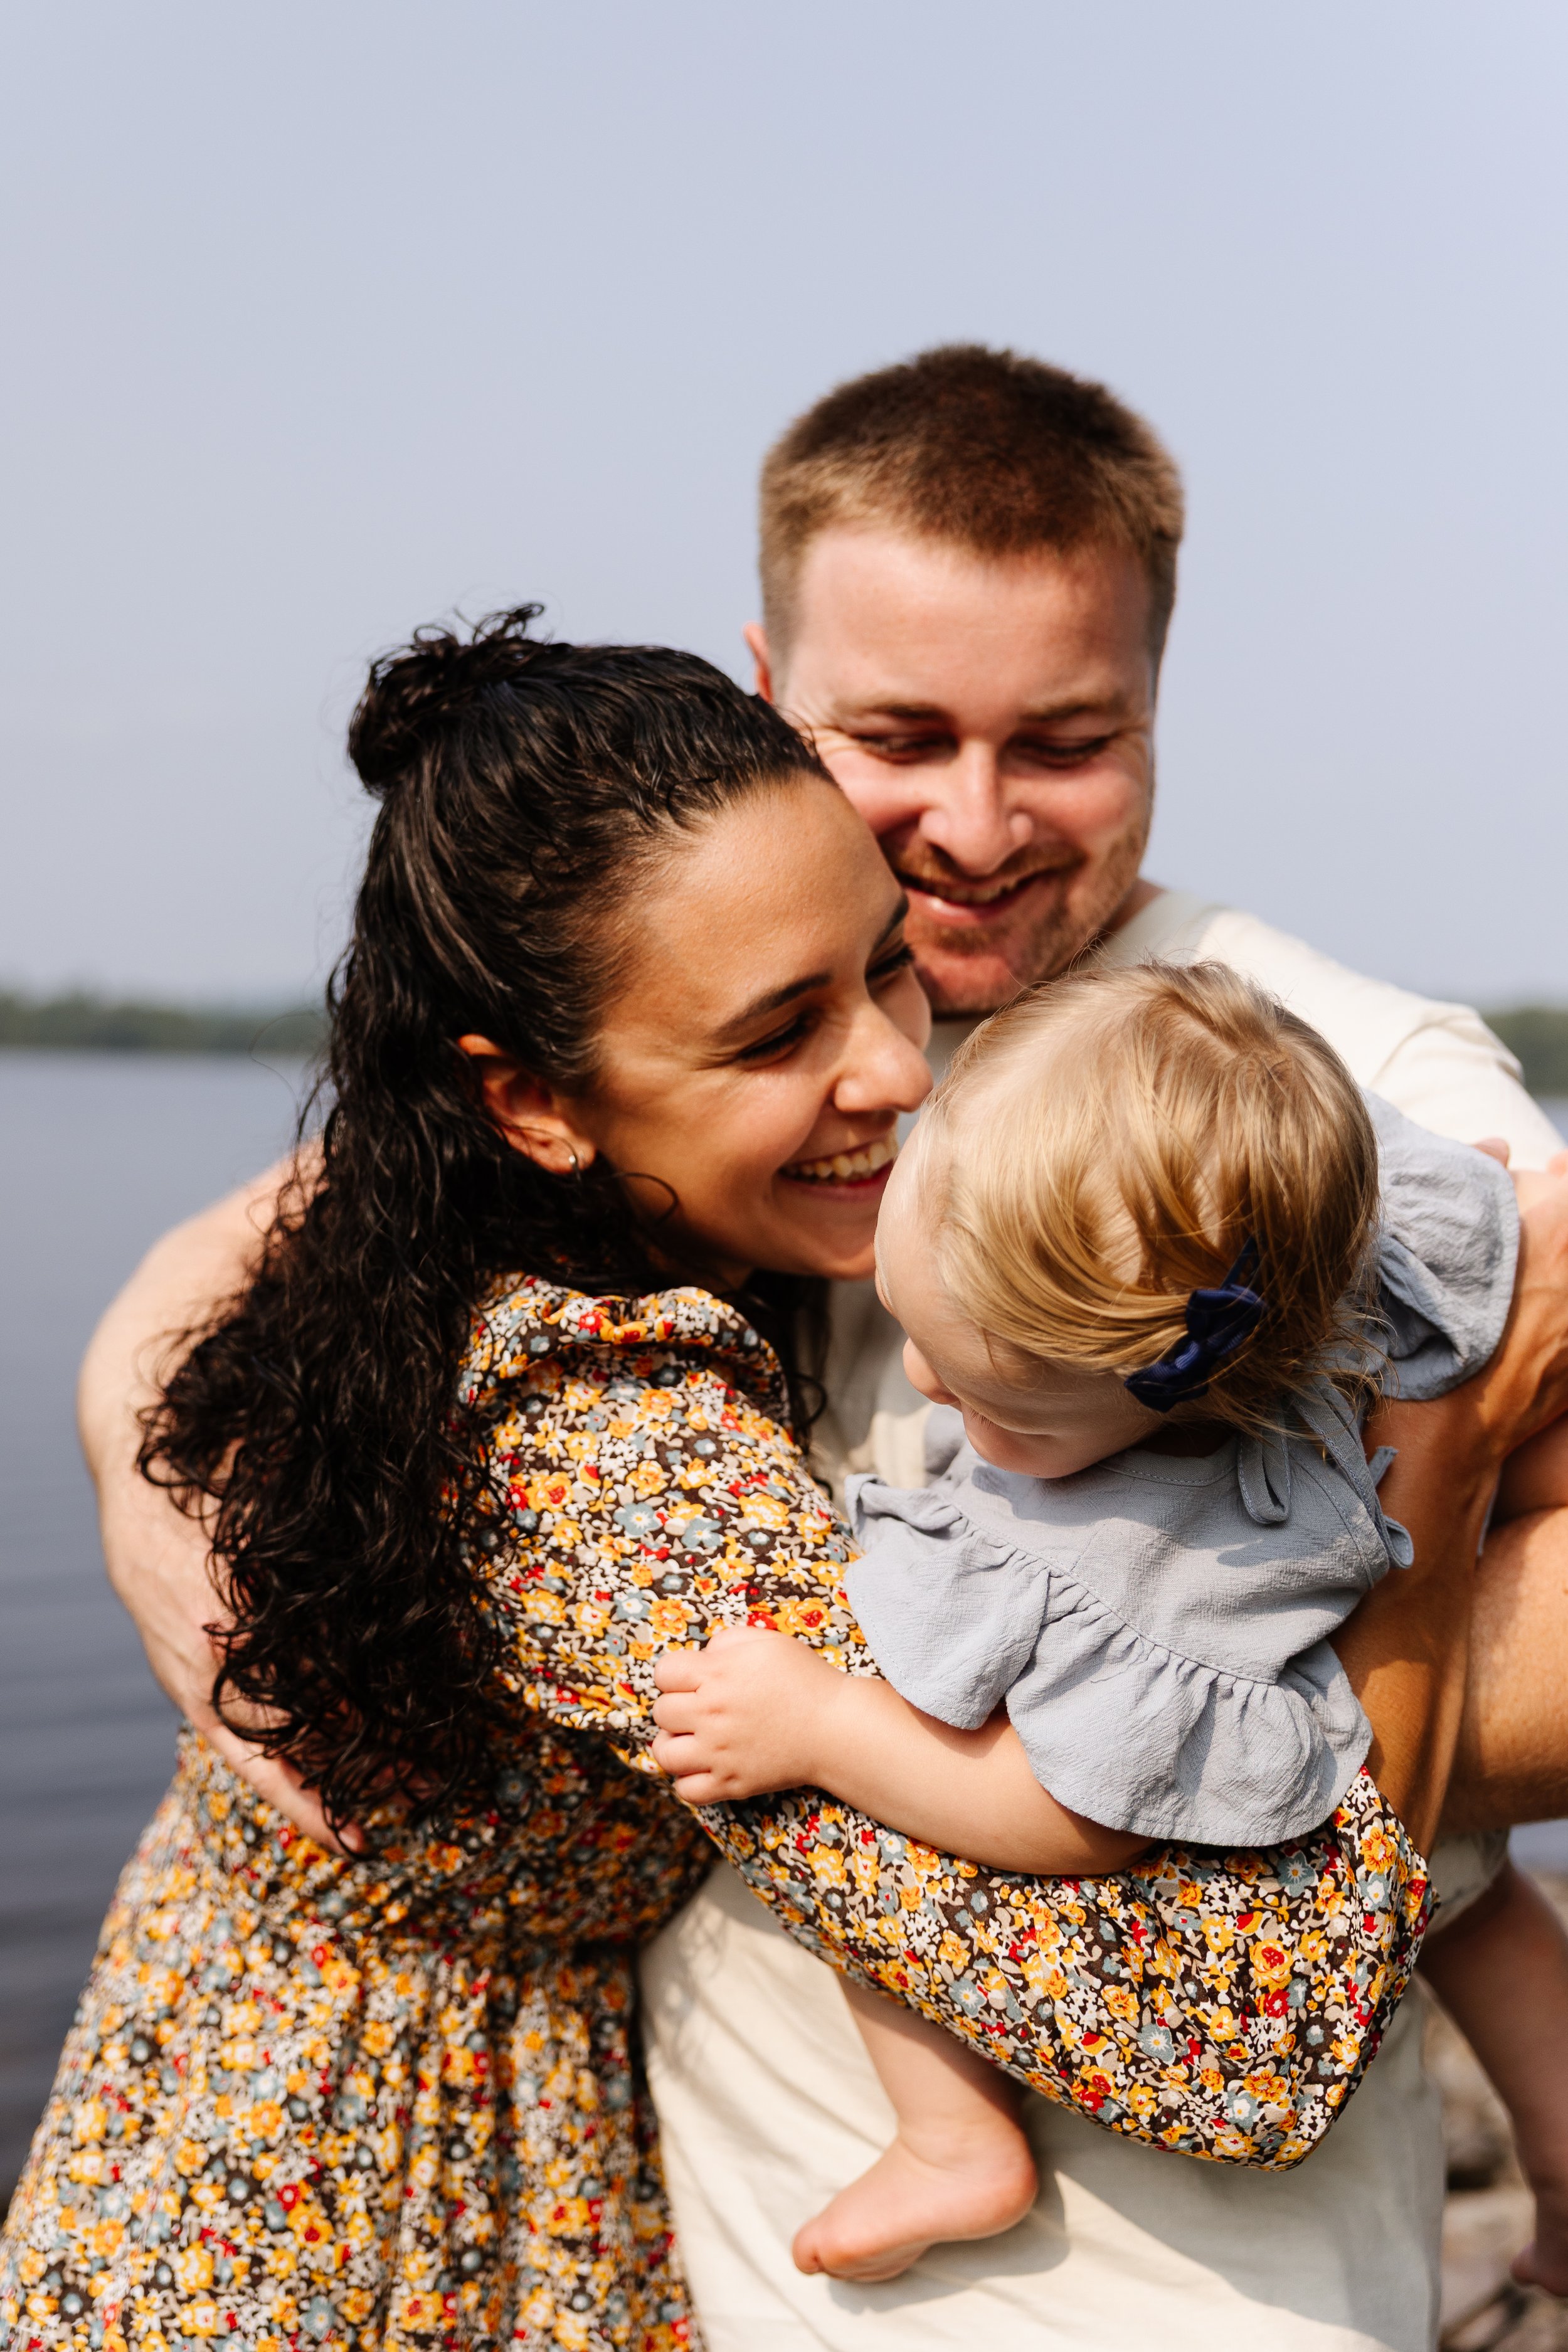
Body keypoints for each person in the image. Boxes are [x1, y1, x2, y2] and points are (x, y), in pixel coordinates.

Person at [84, 350, 1568, 2349]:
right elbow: (331, 1226)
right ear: (774, 690)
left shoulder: (1307, 1071)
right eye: (898, 732)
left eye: (1062, 737)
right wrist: (125, 1414)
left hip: (1183, 2284)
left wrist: (1411, 1496)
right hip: (537, 2218)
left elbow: (1259, 1977)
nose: (967, 832)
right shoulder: (614, 1215)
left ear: (1153, 707)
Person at [652, 962, 1568, 2292]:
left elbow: (1080, 1814)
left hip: (1300, 1796)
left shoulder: (1134, 1561)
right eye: (911, 1329)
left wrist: (825, 1725)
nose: (920, 1383)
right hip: (1418, 1734)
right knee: (1479, 1909)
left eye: (992, 1407)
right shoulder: (1304, 1205)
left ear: (1181, 1393)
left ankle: (950, 2133)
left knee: (853, 1815)